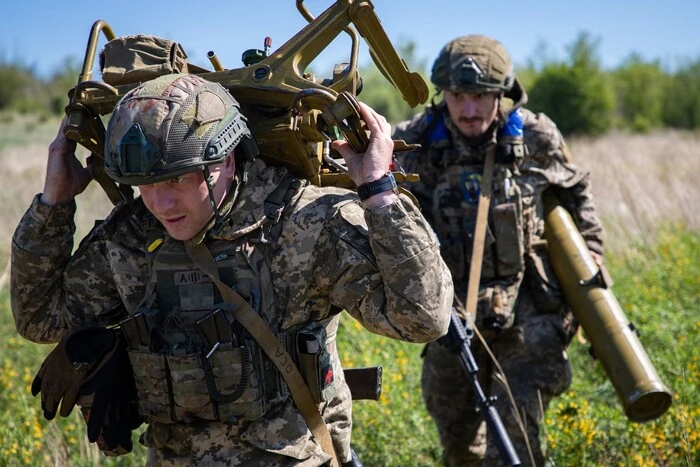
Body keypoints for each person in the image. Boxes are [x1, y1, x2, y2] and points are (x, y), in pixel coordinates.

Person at [11, 73, 453, 466]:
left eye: (177, 179)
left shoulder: (306, 224)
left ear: (226, 159)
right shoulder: (129, 239)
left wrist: (378, 192)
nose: (160, 203)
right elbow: (39, 318)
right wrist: (54, 203)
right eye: (143, 185)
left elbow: (423, 317)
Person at [393, 35, 605, 466]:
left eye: (481, 97)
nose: (469, 111)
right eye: (458, 97)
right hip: (449, 314)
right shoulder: (414, 142)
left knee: (515, 448)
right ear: (442, 95)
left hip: (526, 310)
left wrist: (593, 253)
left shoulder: (536, 136)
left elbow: (576, 190)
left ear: (502, 94)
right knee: (456, 442)